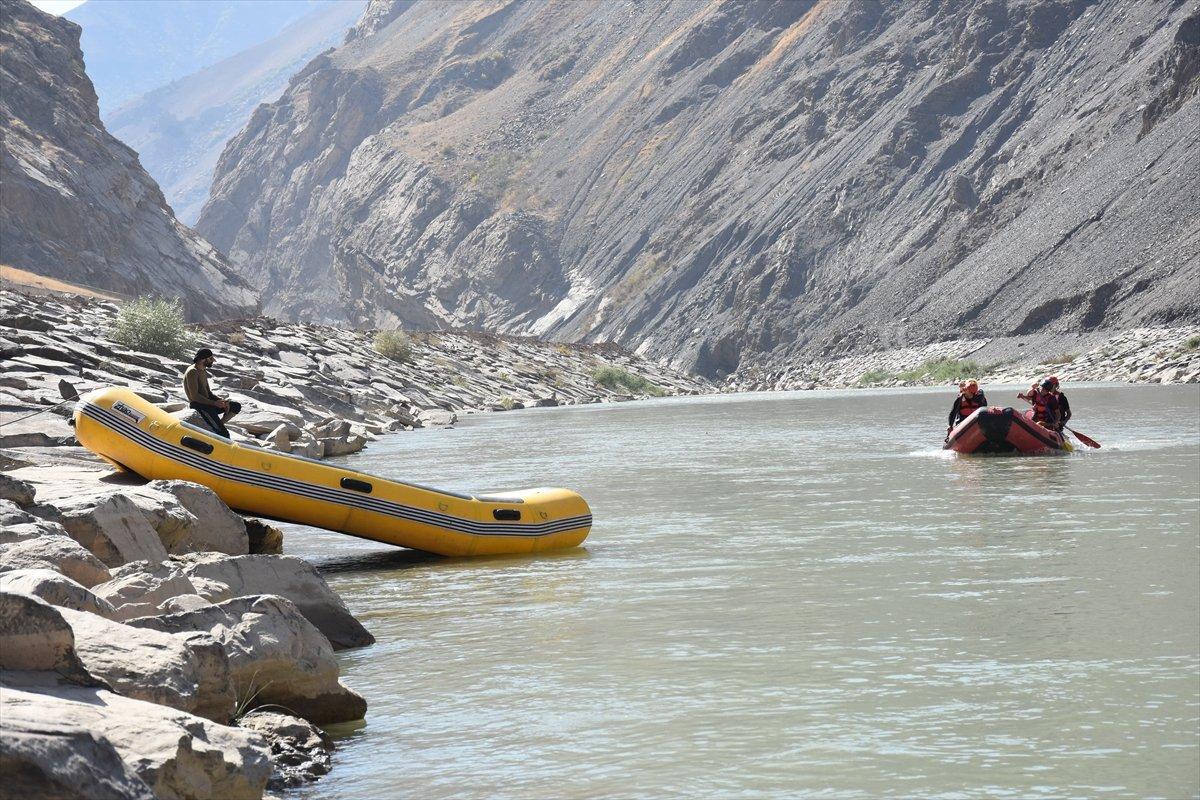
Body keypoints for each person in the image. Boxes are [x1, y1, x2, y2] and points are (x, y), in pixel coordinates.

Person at [183, 347, 240, 438]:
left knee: (235, 406)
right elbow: (194, 397)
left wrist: (221, 401)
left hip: (208, 404)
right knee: (225, 435)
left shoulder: (203, 370)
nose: (212, 361)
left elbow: (208, 393)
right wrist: (214, 403)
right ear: (202, 359)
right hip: (199, 406)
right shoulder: (192, 372)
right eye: (210, 359)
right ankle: (217, 427)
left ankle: (217, 425)